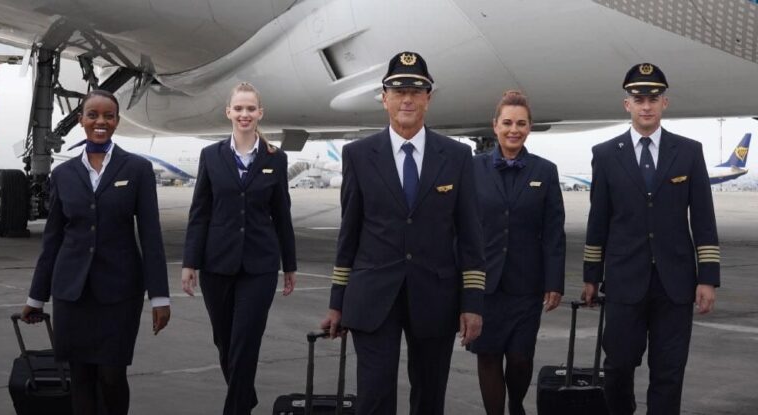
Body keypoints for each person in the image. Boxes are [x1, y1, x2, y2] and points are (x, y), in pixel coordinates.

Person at [320, 51, 486, 415]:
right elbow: (349, 231)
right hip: (373, 293)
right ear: (384, 98)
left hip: (435, 296)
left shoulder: (456, 156)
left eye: (416, 90)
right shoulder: (359, 155)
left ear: (429, 97)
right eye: (398, 91)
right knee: (374, 395)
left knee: (429, 396)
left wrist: (472, 303)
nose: (407, 99)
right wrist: (337, 300)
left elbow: (471, 234)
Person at [21, 89, 171, 415]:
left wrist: (160, 296)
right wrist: (36, 297)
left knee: (112, 375)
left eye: (108, 116)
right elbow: (53, 240)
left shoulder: (137, 169)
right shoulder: (63, 175)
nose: (100, 121)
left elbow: (150, 235)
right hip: (71, 292)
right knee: (81, 377)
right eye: (93, 115)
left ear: (116, 121)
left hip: (119, 292)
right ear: (81, 121)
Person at [581, 63, 720, 415]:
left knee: (669, 373)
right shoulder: (606, 154)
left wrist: (708, 278)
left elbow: (703, 218)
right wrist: (591, 276)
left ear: (665, 104)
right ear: (627, 104)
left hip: (675, 284)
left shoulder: (688, 152)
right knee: (617, 367)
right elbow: (598, 219)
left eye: (653, 99)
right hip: (625, 281)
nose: (646, 106)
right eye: (639, 98)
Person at [181, 82, 297, 415]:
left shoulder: (276, 159)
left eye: (251, 108)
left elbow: (281, 215)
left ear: (260, 113)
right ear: (228, 112)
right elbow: (200, 212)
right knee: (225, 342)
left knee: (246, 341)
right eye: (239, 108)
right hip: (216, 263)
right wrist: (190, 262)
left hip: (259, 265)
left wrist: (289, 265)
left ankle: (236, 409)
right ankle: (245, 397)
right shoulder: (211, 156)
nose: (244, 114)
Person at [470, 90, 565, 415]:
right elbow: (460, 228)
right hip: (483, 283)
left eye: (521, 123)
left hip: (527, 284)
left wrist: (554, 281)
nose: (514, 129)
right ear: (495, 126)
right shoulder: (472, 169)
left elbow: (554, 232)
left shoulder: (545, 171)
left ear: (529, 127)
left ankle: (517, 404)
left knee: (521, 357)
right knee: (488, 355)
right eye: (507, 122)